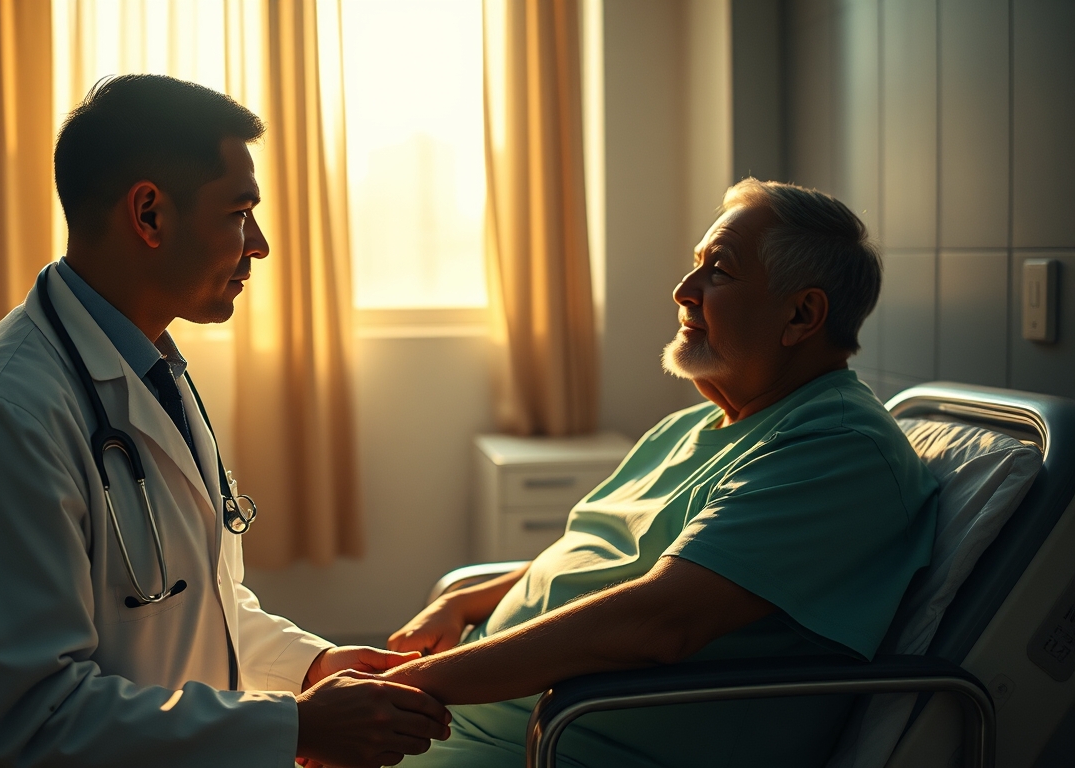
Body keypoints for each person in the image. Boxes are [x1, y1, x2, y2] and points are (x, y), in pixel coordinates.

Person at [0, 75, 448, 767]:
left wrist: (311, 669)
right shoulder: (2, 422)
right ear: (149, 215)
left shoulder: (149, 371)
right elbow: (36, 723)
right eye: (238, 212)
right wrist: (296, 728)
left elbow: (191, 604)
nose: (257, 244)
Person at [382, 180, 939, 767]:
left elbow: (659, 621)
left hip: (549, 745)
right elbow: (593, 558)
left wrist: (408, 688)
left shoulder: (835, 449)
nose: (683, 290)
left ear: (801, 314)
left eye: (718, 271)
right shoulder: (688, 427)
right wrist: (465, 604)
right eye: (696, 265)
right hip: (471, 722)